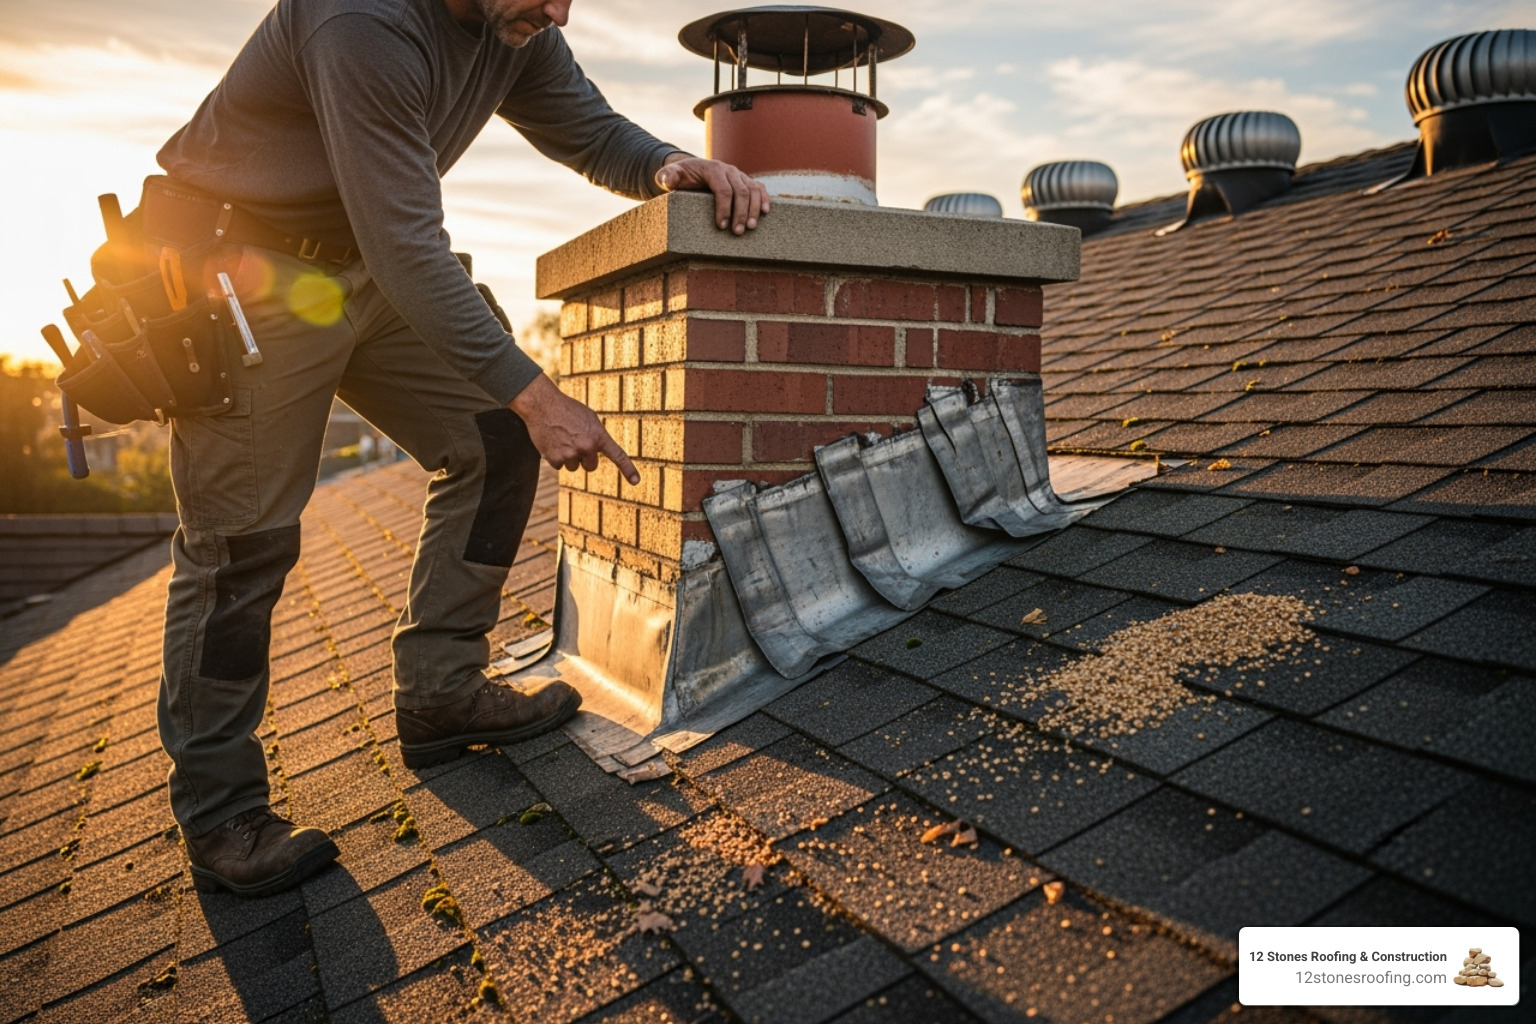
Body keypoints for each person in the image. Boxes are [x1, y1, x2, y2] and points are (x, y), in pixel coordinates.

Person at [143, 0, 769, 898]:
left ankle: (440, 688)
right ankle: (220, 810)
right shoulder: (359, 20)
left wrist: (672, 164)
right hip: (250, 269)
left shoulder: (516, 27)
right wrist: (541, 392)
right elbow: (408, 241)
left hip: (365, 265)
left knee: (497, 439)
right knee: (239, 546)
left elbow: (588, 129)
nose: (555, 11)